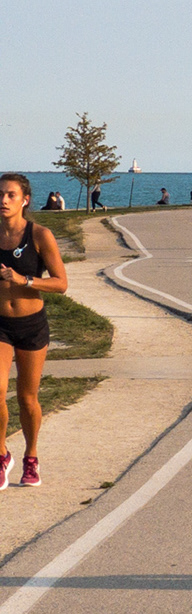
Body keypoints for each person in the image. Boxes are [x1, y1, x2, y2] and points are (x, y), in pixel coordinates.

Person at [0, 172, 68, 489]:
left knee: (27, 399)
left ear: (25, 200)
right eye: (0, 194)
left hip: (31, 325)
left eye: (10, 195)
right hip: (0, 324)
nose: (3, 200)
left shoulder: (40, 235)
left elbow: (61, 284)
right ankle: (2, 455)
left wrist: (23, 280)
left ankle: (31, 457)